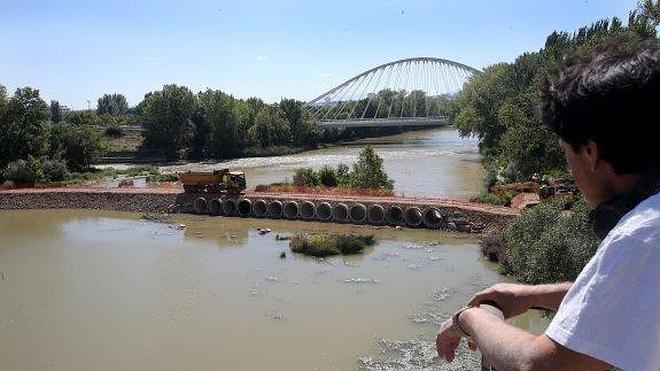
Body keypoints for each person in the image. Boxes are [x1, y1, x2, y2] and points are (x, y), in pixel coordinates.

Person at [436, 36, 660, 371]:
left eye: (566, 152)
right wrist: (535, 295)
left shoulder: (644, 234)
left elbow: (540, 366)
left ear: (590, 152)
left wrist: (469, 319)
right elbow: (631, 294)